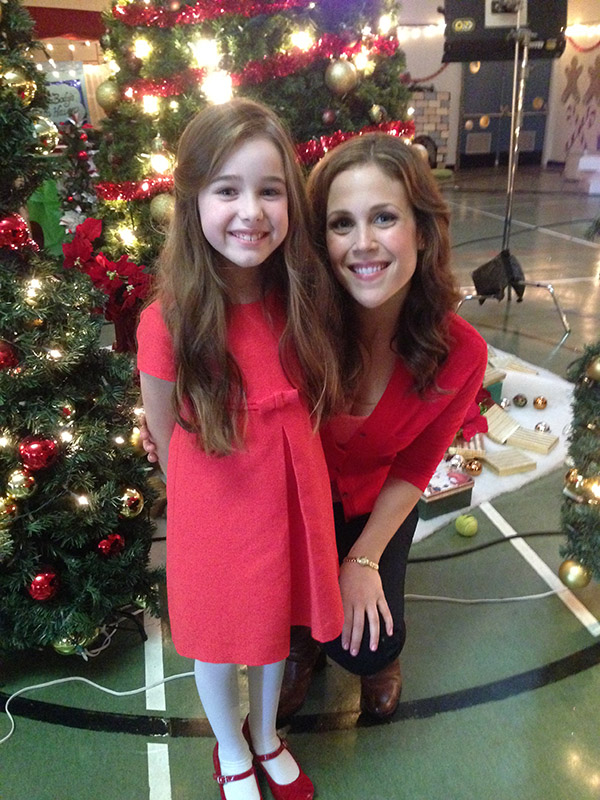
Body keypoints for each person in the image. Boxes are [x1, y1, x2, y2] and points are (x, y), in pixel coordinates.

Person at [136, 98, 345, 800]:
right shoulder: (168, 321)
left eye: (270, 191)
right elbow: (164, 426)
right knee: (221, 640)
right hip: (216, 510)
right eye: (227, 190)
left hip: (286, 501)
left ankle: (265, 735)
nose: (250, 211)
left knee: (274, 631)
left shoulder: (299, 300)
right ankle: (230, 746)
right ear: (193, 201)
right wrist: (196, 508)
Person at [278, 133, 488, 721]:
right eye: (341, 224)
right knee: (292, 611)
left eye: (384, 218)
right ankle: (301, 645)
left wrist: (363, 559)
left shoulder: (461, 352)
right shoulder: (292, 329)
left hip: (378, 504)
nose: (363, 244)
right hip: (297, 505)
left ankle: (379, 660)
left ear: (422, 231)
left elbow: (416, 467)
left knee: (368, 642)